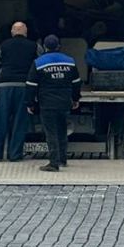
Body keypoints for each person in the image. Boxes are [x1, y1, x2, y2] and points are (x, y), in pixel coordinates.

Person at [26, 34, 82, 171]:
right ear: (58, 46)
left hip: (47, 103)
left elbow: (31, 85)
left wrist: (30, 103)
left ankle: (53, 163)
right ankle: (62, 160)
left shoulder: (38, 62)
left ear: (45, 47)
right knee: (62, 130)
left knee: (51, 132)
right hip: (64, 102)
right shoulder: (69, 61)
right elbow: (76, 82)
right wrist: (75, 99)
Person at [0, 21, 38, 162]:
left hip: (5, 85)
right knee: (20, 121)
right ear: (26, 32)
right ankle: (15, 154)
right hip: (24, 86)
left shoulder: (4, 45)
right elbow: (40, 62)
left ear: (12, 32)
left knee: (0, 119)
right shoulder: (34, 46)